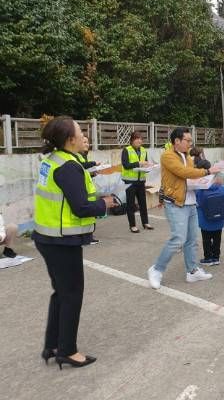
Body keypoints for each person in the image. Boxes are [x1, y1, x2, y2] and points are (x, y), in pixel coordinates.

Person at [32, 116, 116, 369]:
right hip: (61, 240)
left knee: (61, 293)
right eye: (80, 133)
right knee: (71, 295)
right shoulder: (68, 167)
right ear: (70, 140)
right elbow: (81, 207)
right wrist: (104, 204)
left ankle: (52, 345)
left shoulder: (55, 159)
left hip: (48, 237)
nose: (83, 136)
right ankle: (67, 350)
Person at [147, 127, 219, 290]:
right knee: (178, 239)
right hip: (175, 202)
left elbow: (190, 175)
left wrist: (206, 180)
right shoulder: (167, 156)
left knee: (192, 239)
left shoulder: (187, 156)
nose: (190, 143)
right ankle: (156, 269)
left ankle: (192, 271)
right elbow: (183, 172)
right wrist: (207, 171)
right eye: (187, 140)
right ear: (177, 141)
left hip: (190, 201)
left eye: (190, 140)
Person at [121, 132, 154, 233]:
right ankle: (132, 225)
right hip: (130, 181)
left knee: (143, 203)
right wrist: (138, 163)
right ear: (132, 140)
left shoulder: (143, 150)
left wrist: (148, 166)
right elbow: (126, 165)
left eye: (140, 139)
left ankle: (145, 223)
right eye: (137, 138)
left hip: (141, 181)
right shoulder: (126, 150)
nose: (139, 141)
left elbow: (145, 163)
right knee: (131, 204)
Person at [196, 173, 224, 266]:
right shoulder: (223, 187)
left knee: (206, 239)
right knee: (217, 238)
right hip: (219, 218)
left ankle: (208, 258)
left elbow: (197, 202)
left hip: (205, 220)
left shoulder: (200, 189)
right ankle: (216, 257)